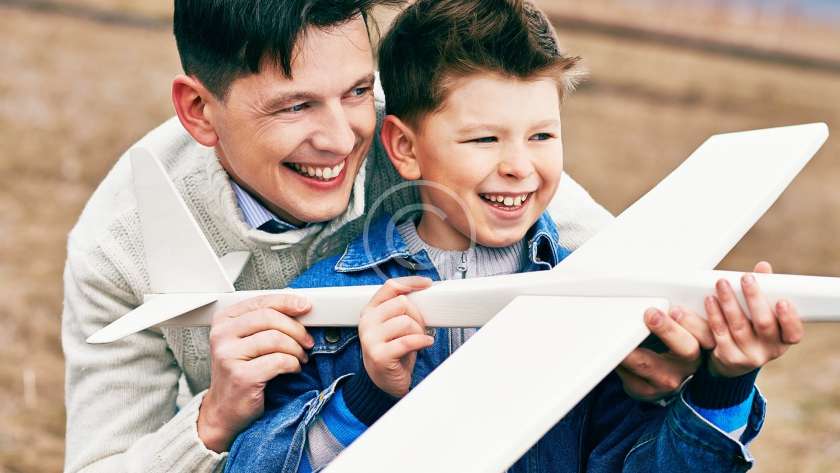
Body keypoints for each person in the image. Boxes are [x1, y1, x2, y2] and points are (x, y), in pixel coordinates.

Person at [62, 1, 723, 471]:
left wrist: (671, 358)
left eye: (357, 90)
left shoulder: (438, 139)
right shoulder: (122, 248)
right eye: (296, 105)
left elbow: (626, 276)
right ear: (199, 110)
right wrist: (213, 420)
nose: (342, 137)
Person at [224, 1, 803, 471]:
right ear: (403, 147)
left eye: (542, 136)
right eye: (485, 139)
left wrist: (723, 388)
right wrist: (367, 397)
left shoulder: (599, 300)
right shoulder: (323, 305)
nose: (519, 167)